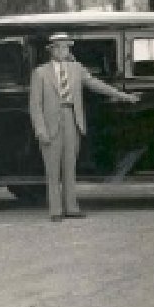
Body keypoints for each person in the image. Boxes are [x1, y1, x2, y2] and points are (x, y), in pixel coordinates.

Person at [29, 32, 139, 222]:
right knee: (53, 169)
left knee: (70, 167)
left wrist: (124, 96)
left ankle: (72, 207)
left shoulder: (77, 68)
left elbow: (96, 85)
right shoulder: (40, 72)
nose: (64, 50)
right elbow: (35, 105)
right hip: (50, 123)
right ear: (52, 50)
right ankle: (55, 210)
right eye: (61, 47)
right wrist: (40, 129)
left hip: (72, 118)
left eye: (67, 47)